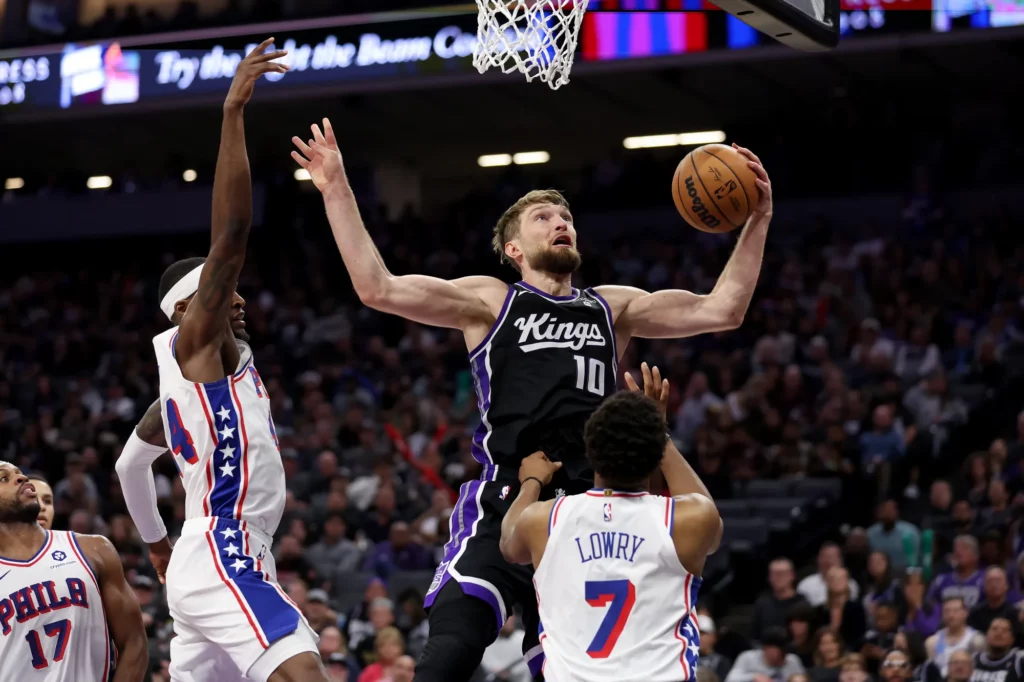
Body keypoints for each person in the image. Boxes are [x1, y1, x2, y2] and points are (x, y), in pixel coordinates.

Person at [291, 117, 772, 681]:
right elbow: (379, 288)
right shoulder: (491, 301)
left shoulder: (611, 308)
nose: (561, 222)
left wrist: (759, 217)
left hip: (584, 515)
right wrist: (337, 187)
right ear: (514, 248)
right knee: (450, 648)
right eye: (544, 217)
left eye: (566, 216)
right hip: (504, 498)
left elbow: (723, 310)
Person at [114, 40, 327, 682]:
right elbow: (231, 237)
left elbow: (130, 464)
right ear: (189, 309)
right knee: (305, 671)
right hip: (224, 550)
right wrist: (233, 111)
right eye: (219, 290)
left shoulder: (177, 392)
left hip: (215, 558)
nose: (237, 297)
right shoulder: (198, 343)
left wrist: (157, 545)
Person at [498, 369, 724, 681]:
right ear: (654, 453)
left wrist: (532, 482)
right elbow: (706, 508)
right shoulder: (687, 521)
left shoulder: (545, 519)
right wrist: (658, 432)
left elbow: (509, 543)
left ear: (590, 450)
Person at [0, 462, 148, 681]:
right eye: (4, 478)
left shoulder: (93, 549)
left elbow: (134, 642)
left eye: (20, 474)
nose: (21, 478)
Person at [925, 597, 985, 677]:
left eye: (955, 611)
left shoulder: (976, 641)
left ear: (965, 613)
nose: (951, 615)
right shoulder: (933, 641)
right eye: (947, 611)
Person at [726, 628, 807, 682]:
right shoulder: (748, 657)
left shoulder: (792, 660)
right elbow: (730, 679)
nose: (784, 659)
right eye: (781, 653)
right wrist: (754, 677)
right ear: (767, 649)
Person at [971, 618, 1024, 682]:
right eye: (994, 629)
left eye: (1004, 630)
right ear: (986, 635)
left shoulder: (1019, 660)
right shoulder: (973, 659)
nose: (999, 633)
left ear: (1012, 639)